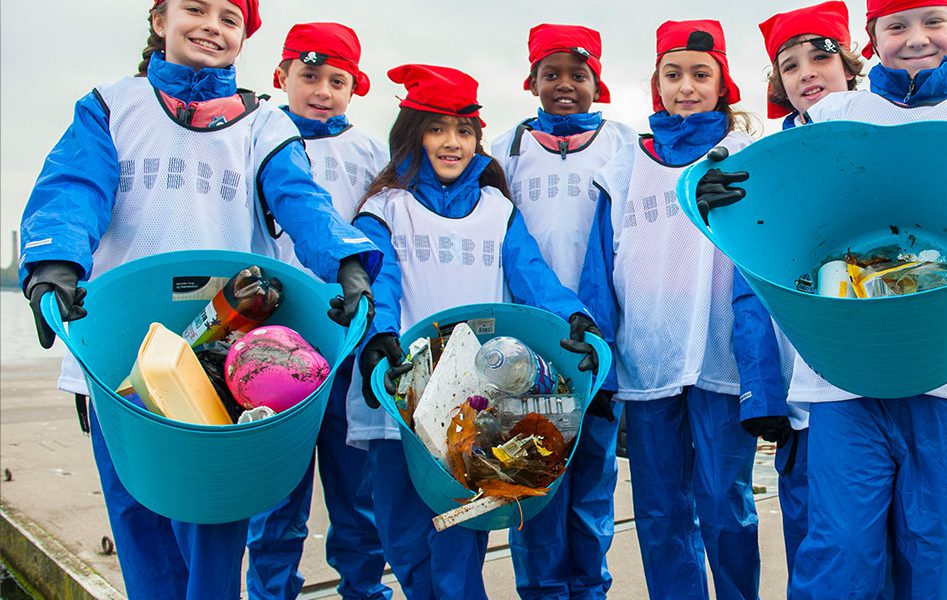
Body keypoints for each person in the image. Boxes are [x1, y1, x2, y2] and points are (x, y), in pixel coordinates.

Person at [697, 0, 947, 596]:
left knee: (939, 549)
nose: (916, 38)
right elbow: (770, 193)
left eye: (933, 23)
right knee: (841, 547)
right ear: (872, 38)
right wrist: (722, 190)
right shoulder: (835, 114)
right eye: (896, 26)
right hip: (843, 369)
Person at [18, 1, 379, 597]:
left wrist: (347, 267)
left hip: (225, 352)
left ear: (242, 41)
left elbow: (300, 201)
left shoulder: (264, 125)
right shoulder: (111, 106)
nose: (212, 24)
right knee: (139, 517)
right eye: (195, 8)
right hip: (117, 352)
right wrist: (54, 265)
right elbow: (73, 188)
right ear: (159, 20)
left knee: (215, 520)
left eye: (228, 18)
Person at [350, 63, 601, 600]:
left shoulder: (497, 209)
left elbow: (533, 275)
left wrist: (574, 316)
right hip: (402, 388)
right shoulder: (384, 208)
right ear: (412, 134)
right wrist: (380, 340)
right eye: (437, 128)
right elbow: (381, 283)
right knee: (402, 534)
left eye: (464, 130)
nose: (452, 143)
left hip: (475, 404)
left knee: (461, 531)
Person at [576, 19, 771, 600]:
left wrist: (762, 379)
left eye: (700, 74)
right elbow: (598, 273)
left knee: (724, 502)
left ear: (722, 84)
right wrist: (602, 364)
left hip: (719, 357)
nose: (686, 86)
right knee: (660, 512)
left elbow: (759, 267)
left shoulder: (742, 157)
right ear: (656, 83)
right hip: (647, 362)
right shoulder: (623, 168)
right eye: (673, 74)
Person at [488, 23, 636, 600]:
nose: (565, 85)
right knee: (532, 476)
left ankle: (591, 587)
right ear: (532, 81)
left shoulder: (625, 144)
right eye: (552, 74)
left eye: (579, 75)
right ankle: (542, 590)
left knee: (594, 481)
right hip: (528, 345)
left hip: (600, 338)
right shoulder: (506, 149)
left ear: (598, 82)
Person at [246, 21, 390, 600]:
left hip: (346, 342)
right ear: (280, 76)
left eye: (337, 81)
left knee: (358, 494)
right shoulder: (256, 134)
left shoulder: (370, 152)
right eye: (308, 76)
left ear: (354, 89)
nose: (322, 91)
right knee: (275, 492)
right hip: (270, 340)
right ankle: (270, 590)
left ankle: (365, 589)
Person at [748, 0, 869, 581]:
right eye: (790, 66)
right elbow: (746, 283)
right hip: (800, 374)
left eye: (820, 57)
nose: (807, 73)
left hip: (875, 368)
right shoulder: (760, 160)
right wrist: (763, 391)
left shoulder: (881, 131)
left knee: (869, 535)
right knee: (813, 534)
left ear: (849, 64)